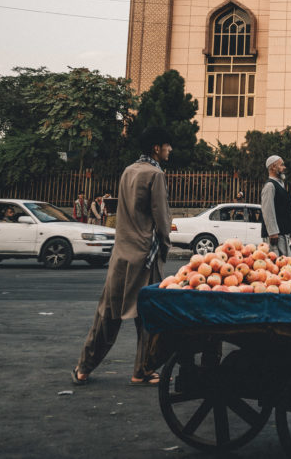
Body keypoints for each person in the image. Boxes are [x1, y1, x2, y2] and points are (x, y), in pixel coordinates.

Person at [73, 126, 173, 386]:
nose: (170, 149)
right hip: (144, 256)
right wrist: (164, 246)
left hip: (121, 253)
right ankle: (142, 370)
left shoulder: (129, 171)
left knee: (108, 313)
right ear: (156, 148)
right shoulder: (156, 175)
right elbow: (162, 219)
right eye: (167, 145)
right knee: (148, 316)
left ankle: (83, 367)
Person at [259, 155, 291, 258]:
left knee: (286, 263)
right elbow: (268, 211)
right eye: (281, 165)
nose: (284, 167)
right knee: (276, 264)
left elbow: (287, 209)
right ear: (273, 167)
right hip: (275, 235)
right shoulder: (270, 186)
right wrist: (273, 232)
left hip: (283, 232)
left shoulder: (280, 184)